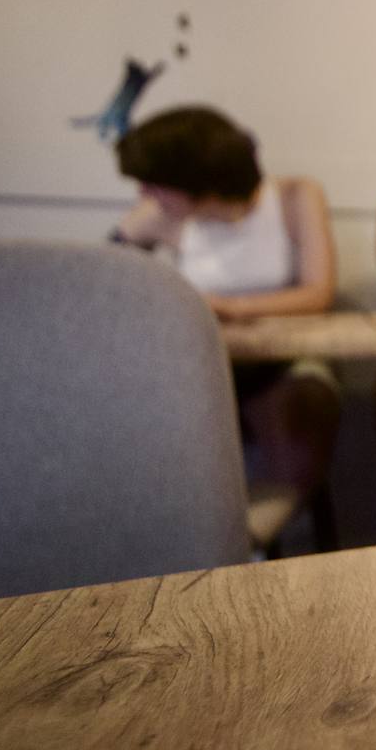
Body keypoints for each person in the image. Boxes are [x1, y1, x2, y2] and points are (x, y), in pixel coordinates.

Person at [110, 105, 341, 546]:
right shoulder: (160, 215)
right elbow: (106, 293)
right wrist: (126, 236)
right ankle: (168, 537)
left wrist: (223, 307)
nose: (144, 191)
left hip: (282, 361)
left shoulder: (294, 196)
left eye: (155, 181)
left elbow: (317, 293)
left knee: (305, 407)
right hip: (200, 367)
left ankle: (246, 538)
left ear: (197, 177)